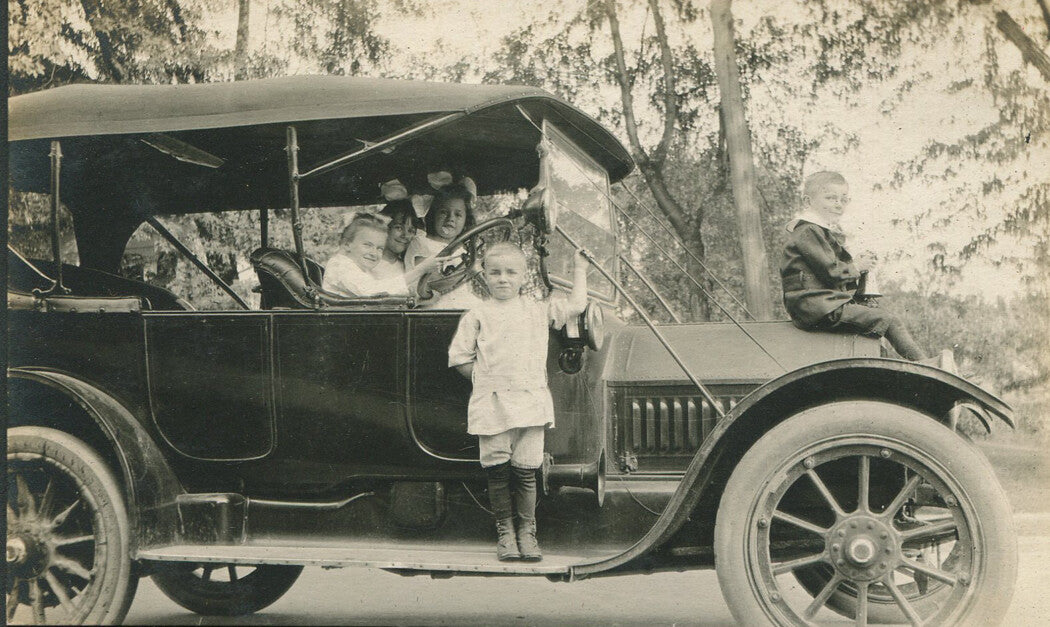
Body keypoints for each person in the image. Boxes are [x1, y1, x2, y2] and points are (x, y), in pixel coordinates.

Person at [447, 242, 590, 562]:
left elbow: (577, 305)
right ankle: (505, 534)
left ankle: (528, 533)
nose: (503, 279)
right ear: (484, 275)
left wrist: (580, 268)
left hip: (529, 403)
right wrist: (486, 381)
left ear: (524, 276)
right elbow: (458, 358)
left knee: (526, 472)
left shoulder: (537, 308)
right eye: (495, 272)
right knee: (497, 472)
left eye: (511, 272)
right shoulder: (477, 314)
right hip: (492, 403)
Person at [780, 171, 928, 361]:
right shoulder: (808, 231)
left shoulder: (817, 232)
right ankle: (926, 366)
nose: (838, 204)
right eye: (830, 198)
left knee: (875, 317)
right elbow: (831, 272)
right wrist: (857, 266)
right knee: (889, 320)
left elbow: (829, 271)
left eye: (843, 199)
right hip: (817, 307)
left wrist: (855, 265)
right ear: (808, 202)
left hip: (819, 305)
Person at [323, 213, 450, 298]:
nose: (374, 253)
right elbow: (374, 291)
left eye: (379, 248)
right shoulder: (340, 265)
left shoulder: (360, 269)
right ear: (347, 245)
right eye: (367, 245)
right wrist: (421, 269)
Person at [374, 199, 424, 281]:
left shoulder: (408, 267)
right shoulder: (370, 262)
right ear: (385, 227)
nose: (405, 235)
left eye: (411, 231)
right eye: (399, 228)